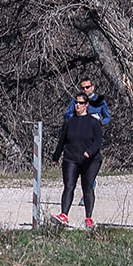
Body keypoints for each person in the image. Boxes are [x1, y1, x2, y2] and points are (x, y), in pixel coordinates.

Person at [54, 91, 105, 228]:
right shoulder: (69, 121)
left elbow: (98, 141)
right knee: (69, 186)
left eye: (81, 103)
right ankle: (64, 215)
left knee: (87, 187)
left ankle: (89, 218)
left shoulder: (94, 122)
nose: (77, 105)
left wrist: (89, 152)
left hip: (90, 160)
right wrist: (56, 156)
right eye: (76, 103)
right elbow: (62, 140)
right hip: (71, 158)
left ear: (87, 105)